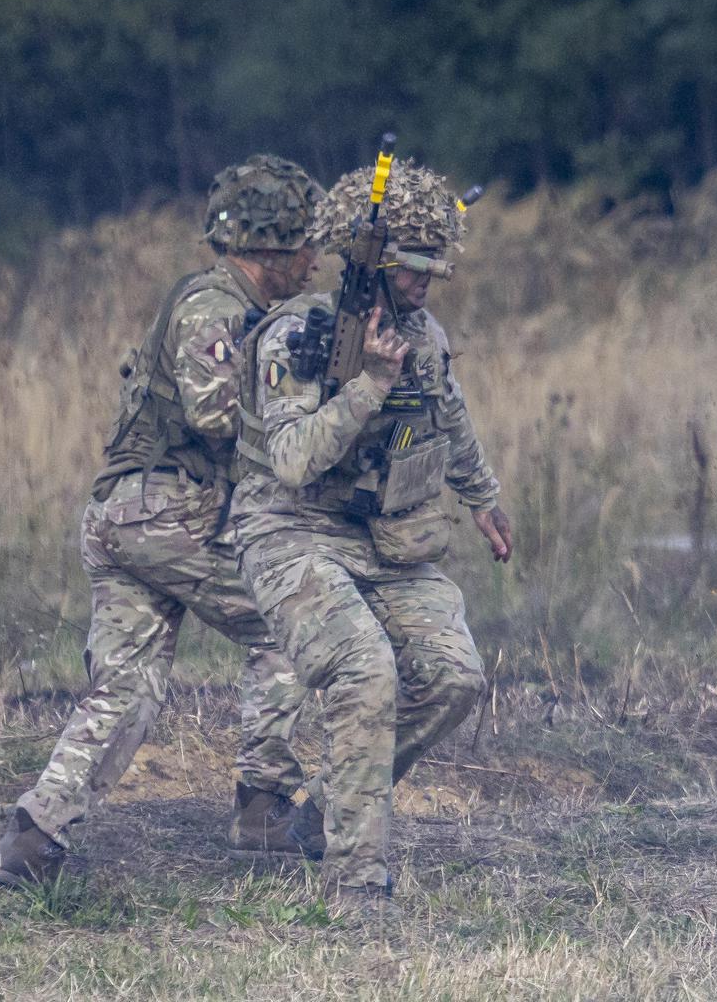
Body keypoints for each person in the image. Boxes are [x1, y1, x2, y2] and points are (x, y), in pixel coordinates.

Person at [0, 156, 325, 887]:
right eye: (306, 244)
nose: (315, 260)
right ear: (270, 247)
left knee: (128, 690)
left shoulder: (238, 308)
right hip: (169, 510)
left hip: (127, 518)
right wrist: (307, 421)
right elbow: (212, 414)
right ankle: (263, 806)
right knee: (292, 624)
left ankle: (34, 835)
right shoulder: (214, 307)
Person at [228, 161, 513, 914]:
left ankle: (328, 807)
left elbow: (447, 417)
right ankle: (357, 885)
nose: (428, 283)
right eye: (416, 270)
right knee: (365, 671)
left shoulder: (424, 334)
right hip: (290, 532)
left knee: (455, 676)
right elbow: (291, 460)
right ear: (378, 265)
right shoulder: (299, 333)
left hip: (387, 541)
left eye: (435, 270)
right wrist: (366, 388)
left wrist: (482, 497)